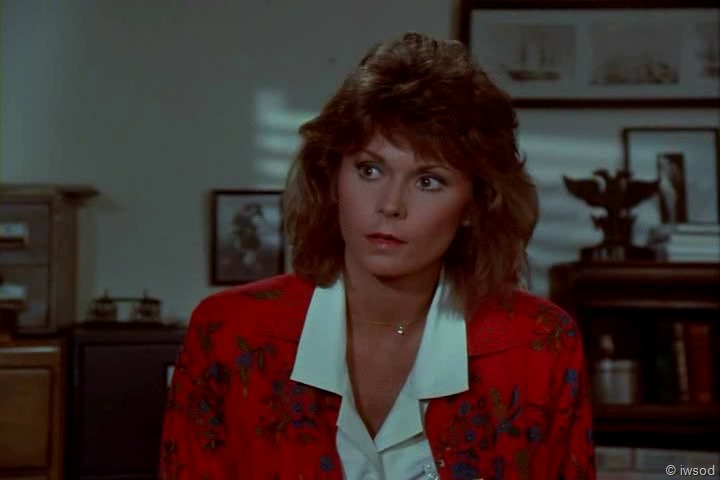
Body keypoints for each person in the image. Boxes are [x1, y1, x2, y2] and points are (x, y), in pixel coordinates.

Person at [160, 32, 596, 480]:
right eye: (370, 170)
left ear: (474, 205)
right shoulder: (228, 334)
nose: (390, 205)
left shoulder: (539, 344)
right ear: (332, 178)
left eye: (428, 181)